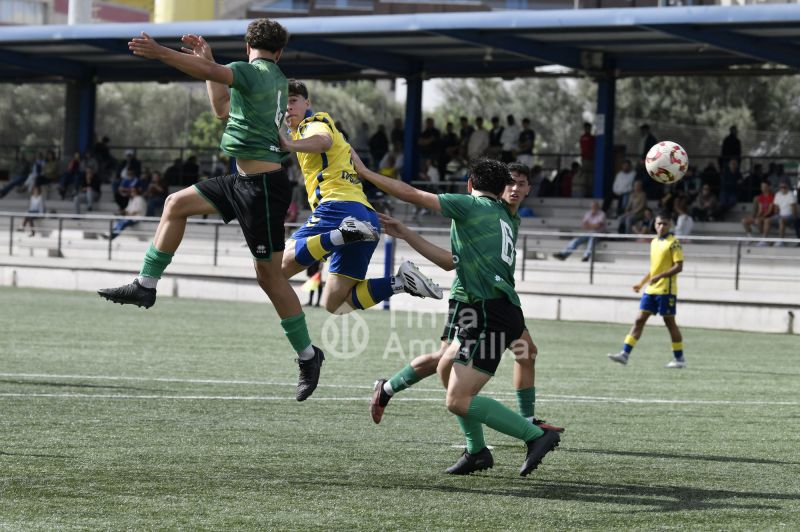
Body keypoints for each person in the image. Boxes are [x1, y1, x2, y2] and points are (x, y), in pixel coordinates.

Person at [97, 18, 325, 402]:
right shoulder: (269, 78)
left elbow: (212, 73)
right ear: (280, 50)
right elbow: (221, 107)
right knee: (175, 204)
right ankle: (145, 286)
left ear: (247, 44)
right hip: (240, 180)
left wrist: (162, 53)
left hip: (263, 188)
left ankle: (308, 355)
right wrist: (210, 66)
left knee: (269, 278)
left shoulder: (252, 72)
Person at [352, 155, 561, 476]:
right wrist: (407, 233)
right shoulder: (504, 216)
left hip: (484, 309)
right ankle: (477, 450)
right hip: (492, 306)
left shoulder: (471, 206)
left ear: (468, 186)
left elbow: (411, 194)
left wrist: (365, 173)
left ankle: (533, 433)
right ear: (503, 188)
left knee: (459, 396)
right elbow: (451, 262)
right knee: (449, 368)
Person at [278, 79, 442, 315]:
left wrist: (288, 143)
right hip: (365, 216)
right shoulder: (332, 130)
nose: (288, 108)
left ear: (307, 103)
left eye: (293, 101)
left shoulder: (312, 124)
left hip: (337, 209)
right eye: (284, 104)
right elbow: (348, 153)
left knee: (277, 269)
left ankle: (341, 235)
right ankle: (401, 282)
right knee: (336, 305)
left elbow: (323, 141)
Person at [608, 211, 686, 369]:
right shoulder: (654, 242)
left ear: (669, 225)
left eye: (664, 223)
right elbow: (654, 270)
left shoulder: (674, 242)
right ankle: (625, 354)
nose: (661, 226)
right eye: (658, 223)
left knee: (669, 322)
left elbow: (679, 267)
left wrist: (660, 277)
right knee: (639, 320)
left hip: (666, 290)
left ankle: (679, 359)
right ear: (654, 225)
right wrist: (641, 283)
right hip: (652, 290)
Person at [768, 180, 798, 245]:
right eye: (781, 187)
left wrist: (795, 220)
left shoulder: (791, 195)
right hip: (780, 215)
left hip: (789, 216)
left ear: (788, 187)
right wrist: (776, 216)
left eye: (784, 187)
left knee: (781, 220)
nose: (783, 188)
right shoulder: (778, 194)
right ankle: (764, 240)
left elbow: (794, 210)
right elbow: (776, 208)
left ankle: (781, 240)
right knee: (767, 220)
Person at [575, 122, 594, 198]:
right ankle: (586, 192)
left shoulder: (592, 138)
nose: (588, 129)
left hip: (591, 159)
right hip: (586, 159)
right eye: (587, 128)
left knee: (590, 176)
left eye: (589, 128)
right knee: (586, 176)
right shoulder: (584, 138)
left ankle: (589, 192)